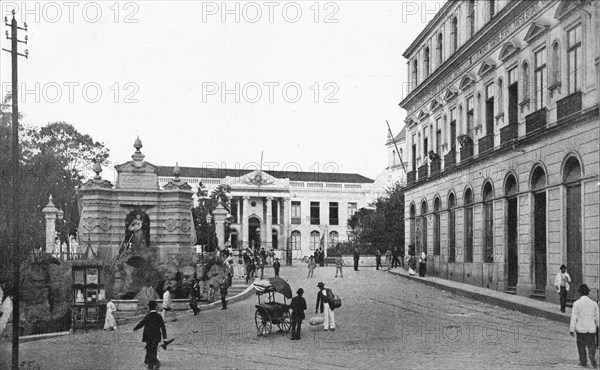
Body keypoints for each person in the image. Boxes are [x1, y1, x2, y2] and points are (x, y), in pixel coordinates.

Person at [569, 284, 599, 368]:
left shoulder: (576, 304)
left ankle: (583, 361)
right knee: (592, 344)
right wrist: (597, 326)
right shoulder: (594, 304)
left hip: (581, 329)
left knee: (581, 346)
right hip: (591, 329)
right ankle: (591, 354)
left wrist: (572, 329)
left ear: (580, 293)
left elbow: (573, 317)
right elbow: (597, 317)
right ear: (588, 293)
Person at [133, 300, 168, 370]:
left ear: (149, 307)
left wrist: (135, 328)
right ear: (156, 307)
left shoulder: (148, 316)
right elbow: (163, 327)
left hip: (148, 336)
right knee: (154, 348)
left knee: (149, 348)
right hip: (156, 336)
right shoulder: (159, 316)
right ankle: (152, 361)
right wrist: (165, 338)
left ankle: (150, 362)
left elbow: (141, 323)